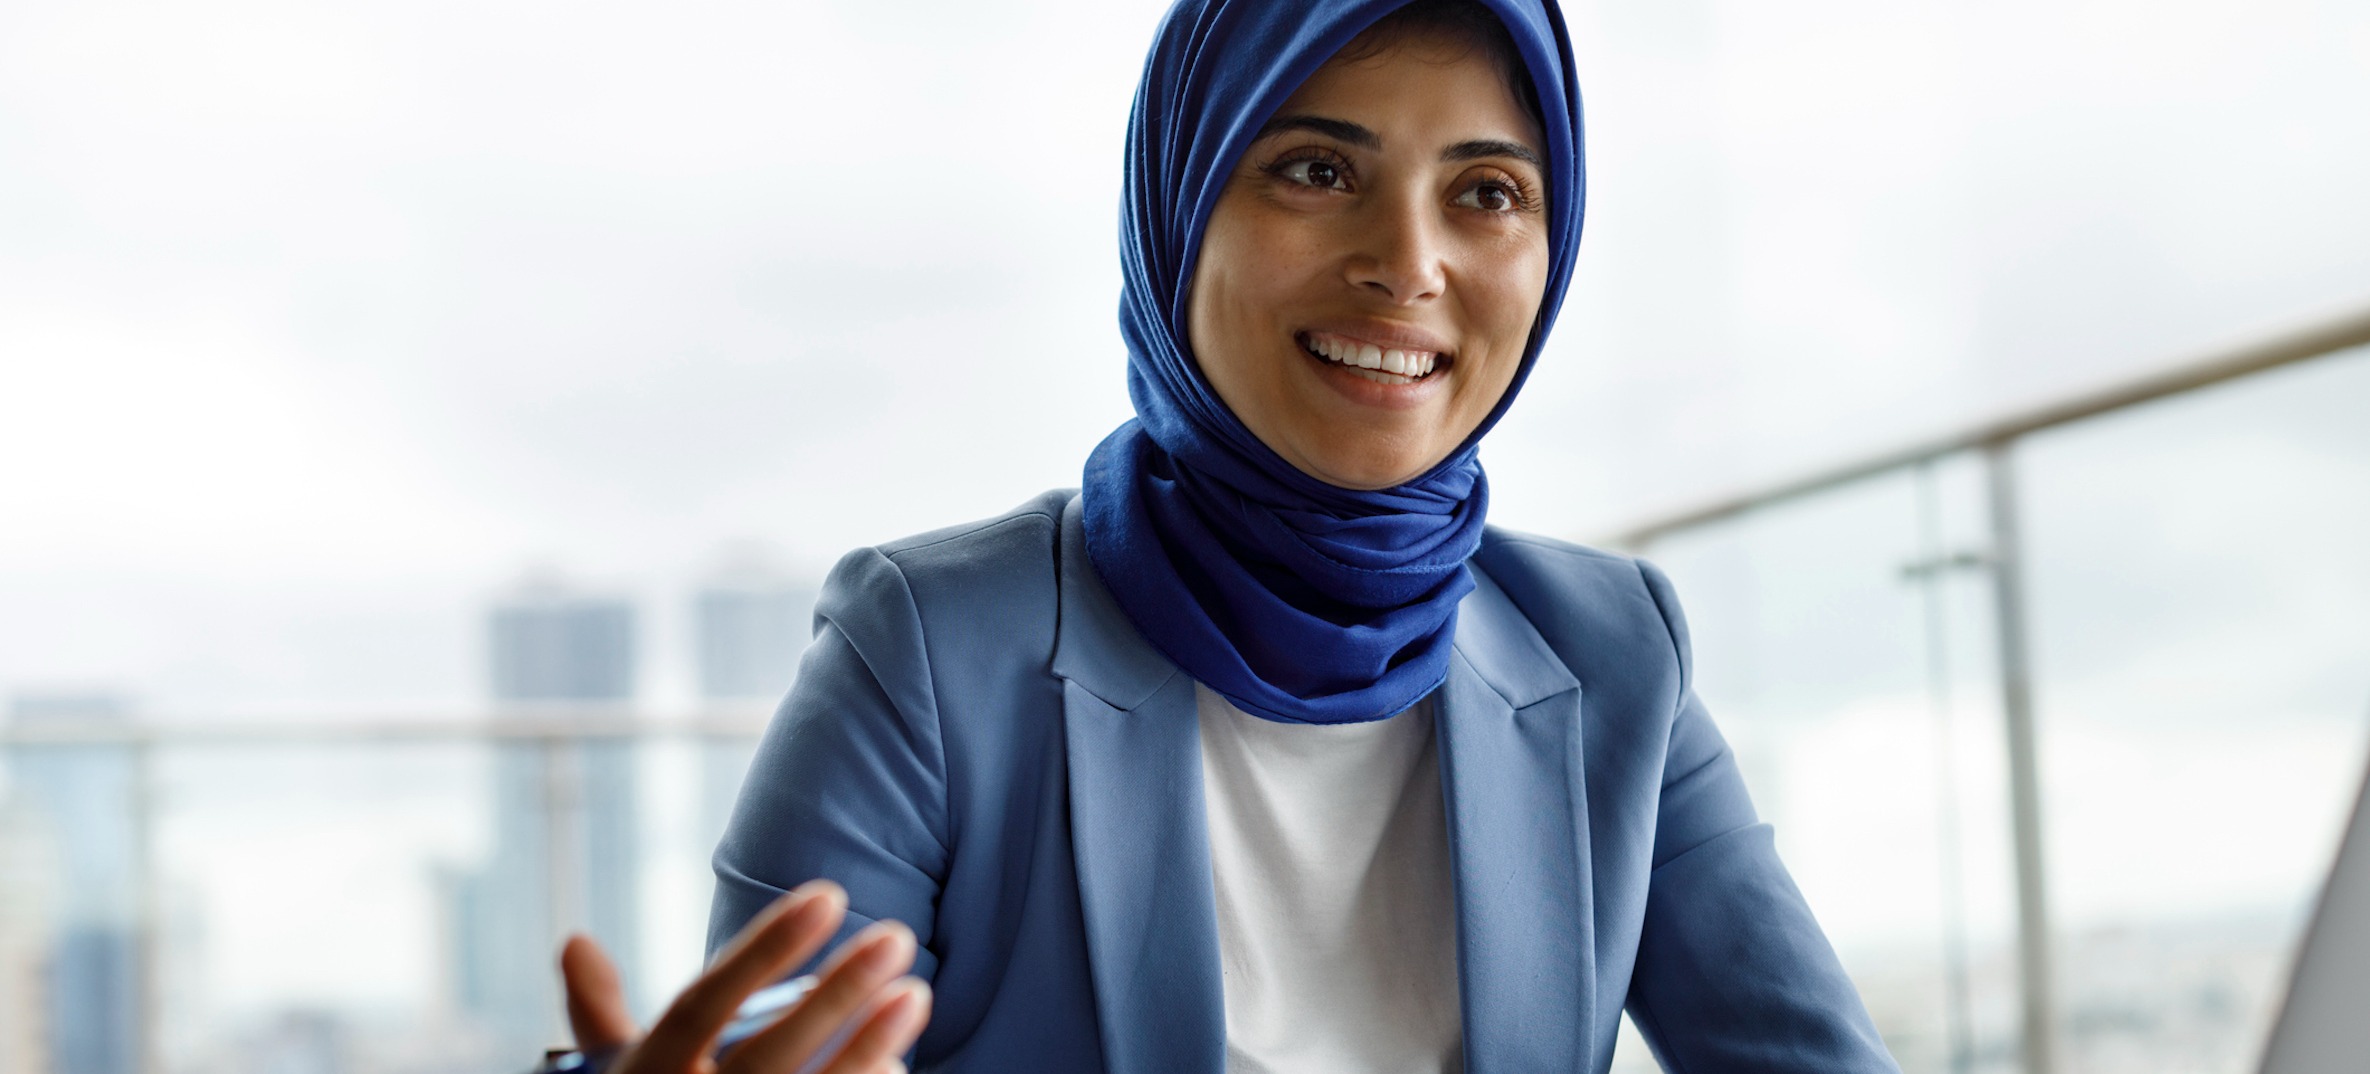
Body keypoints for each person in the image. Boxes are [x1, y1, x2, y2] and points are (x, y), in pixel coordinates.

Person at [555, 0, 1902, 1071]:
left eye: (1485, 191)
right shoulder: (925, 640)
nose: (1408, 262)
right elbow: (757, 1045)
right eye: (1316, 169)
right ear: (1176, 207)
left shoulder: (1611, 648)